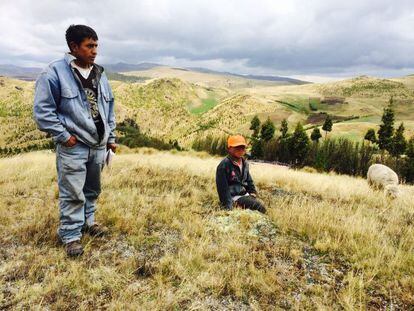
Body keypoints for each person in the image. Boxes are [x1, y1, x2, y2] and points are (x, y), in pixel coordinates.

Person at [33, 25, 116, 257]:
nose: (95, 51)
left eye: (96, 45)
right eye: (90, 46)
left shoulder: (99, 73)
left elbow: (109, 106)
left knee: (92, 189)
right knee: (72, 192)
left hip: (98, 145)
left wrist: (111, 137)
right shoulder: (54, 73)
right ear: (73, 47)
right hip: (74, 146)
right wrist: (64, 137)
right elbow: (43, 112)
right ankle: (70, 235)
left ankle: (88, 223)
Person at [215, 135, 266, 213]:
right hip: (234, 197)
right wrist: (229, 208)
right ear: (229, 148)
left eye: (242, 147)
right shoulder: (224, 165)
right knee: (259, 207)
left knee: (261, 204)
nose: (240, 149)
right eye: (237, 147)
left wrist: (253, 192)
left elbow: (249, 179)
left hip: (245, 195)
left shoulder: (244, 163)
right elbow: (223, 189)